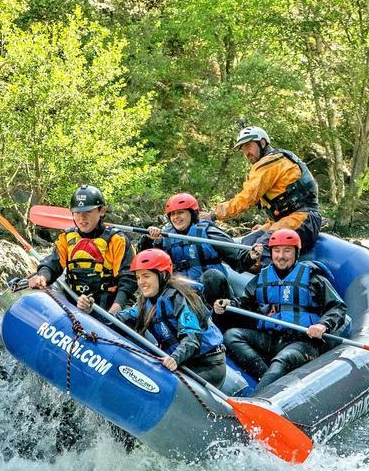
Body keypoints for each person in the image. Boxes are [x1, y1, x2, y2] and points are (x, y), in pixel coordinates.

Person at [213, 229, 346, 391]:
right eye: (276, 251)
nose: (281, 256)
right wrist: (226, 304)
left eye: (287, 251)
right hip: (272, 338)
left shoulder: (313, 277)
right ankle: (265, 378)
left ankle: (259, 398)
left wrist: (323, 325)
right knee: (231, 336)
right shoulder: (263, 277)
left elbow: (337, 307)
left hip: (303, 341)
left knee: (284, 359)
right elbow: (244, 303)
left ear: (296, 253)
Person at [78, 249, 226, 387]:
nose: (141, 282)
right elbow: (117, 321)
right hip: (182, 362)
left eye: (146, 276)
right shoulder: (145, 303)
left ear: (162, 275)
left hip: (206, 365)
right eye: (138, 277)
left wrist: (175, 358)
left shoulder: (179, 298)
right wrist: (91, 310)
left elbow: (193, 338)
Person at [208, 123, 323, 255]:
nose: (246, 152)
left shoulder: (270, 163)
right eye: (242, 149)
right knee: (245, 246)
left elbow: (246, 199)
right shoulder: (277, 159)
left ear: (262, 143)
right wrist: (266, 227)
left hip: (303, 220)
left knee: (258, 252)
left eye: (248, 146)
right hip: (291, 220)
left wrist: (214, 215)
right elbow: (281, 206)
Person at [27, 185, 136, 312]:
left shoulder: (117, 240)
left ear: (101, 211)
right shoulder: (67, 238)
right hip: (75, 304)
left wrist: (114, 312)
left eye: (88, 211)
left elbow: (128, 279)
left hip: (109, 307)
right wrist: (42, 277)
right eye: (77, 212)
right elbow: (53, 263)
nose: (82, 218)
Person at [140, 192, 259, 304]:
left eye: (180, 212)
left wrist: (250, 256)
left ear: (192, 214)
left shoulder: (209, 232)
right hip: (180, 292)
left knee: (212, 276)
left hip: (208, 292)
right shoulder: (163, 238)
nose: (176, 217)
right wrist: (149, 240)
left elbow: (237, 260)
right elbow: (145, 265)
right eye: (173, 214)